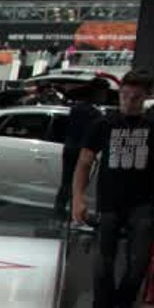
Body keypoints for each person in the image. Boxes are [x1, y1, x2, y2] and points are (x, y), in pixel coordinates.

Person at [71, 69, 154, 308]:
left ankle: (124, 300)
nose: (129, 101)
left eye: (136, 97)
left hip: (142, 203)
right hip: (108, 203)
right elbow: (84, 163)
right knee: (102, 263)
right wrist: (78, 198)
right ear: (120, 94)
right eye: (125, 95)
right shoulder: (104, 124)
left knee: (139, 261)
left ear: (146, 96)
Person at [56, 82, 102, 216]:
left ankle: (59, 209)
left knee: (66, 181)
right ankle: (74, 211)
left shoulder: (74, 109)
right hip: (81, 150)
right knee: (78, 182)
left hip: (69, 148)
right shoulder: (94, 113)